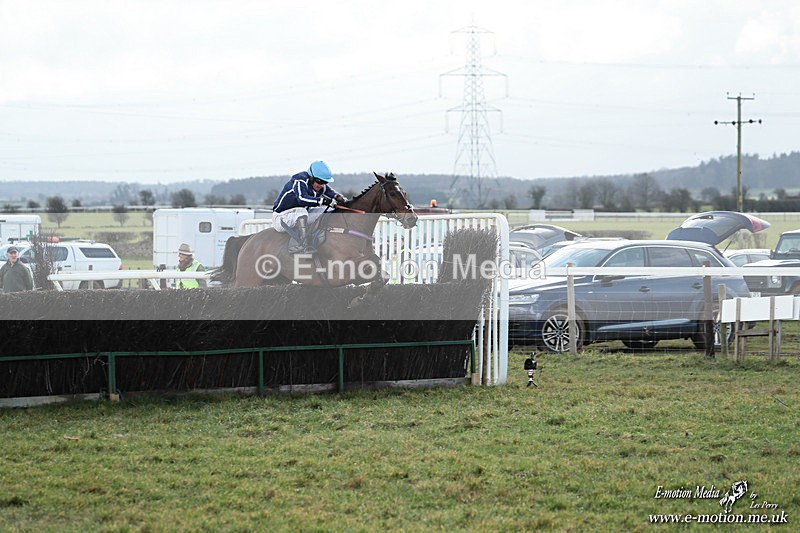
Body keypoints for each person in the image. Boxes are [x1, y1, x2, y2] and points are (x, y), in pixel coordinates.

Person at [272, 161, 348, 253]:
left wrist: (341, 199)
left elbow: (332, 193)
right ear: (311, 177)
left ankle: (324, 238)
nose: (321, 185)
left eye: (325, 182)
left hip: (300, 214)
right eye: (320, 182)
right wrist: (322, 201)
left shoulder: (320, 185)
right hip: (281, 218)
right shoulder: (300, 181)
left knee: (327, 210)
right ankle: (304, 244)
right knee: (301, 212)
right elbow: (301, 198)